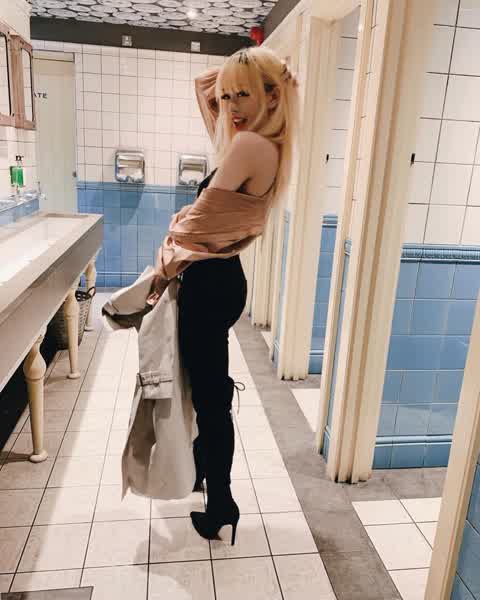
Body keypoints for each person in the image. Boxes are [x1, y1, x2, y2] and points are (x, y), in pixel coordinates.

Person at [154, 45, 299, 545]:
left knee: (211, 400)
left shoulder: (248, 146)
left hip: (209, 285)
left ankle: (221, 503)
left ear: (272, 96)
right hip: (222, 282)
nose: (230, 106)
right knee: (209, 390)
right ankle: (203, 473)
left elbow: (191, 227)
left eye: (244, 95)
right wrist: (256, 74)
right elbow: (205, 87)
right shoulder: (264, 143)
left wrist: (176, 226)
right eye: (229, 96)